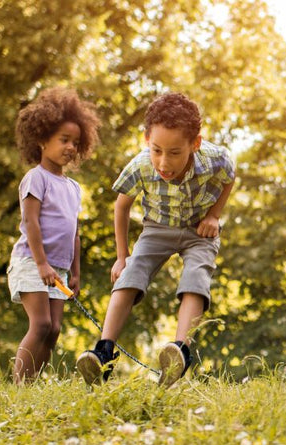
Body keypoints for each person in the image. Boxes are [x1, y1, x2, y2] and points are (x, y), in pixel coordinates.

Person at [76, 92, 236, 388]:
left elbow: (229, 177)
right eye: (156, 150)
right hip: (156, 228)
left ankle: (179, 352)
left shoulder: (215, 158)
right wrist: (121, 257)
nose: (164, 162)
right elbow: (122, 206)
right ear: (146, 139)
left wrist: (214, 215)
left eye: (175, 152)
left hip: (197, 231)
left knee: (196, 275)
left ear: (195, 144)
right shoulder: (140, 165)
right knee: (131, 273)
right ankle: (104, 352)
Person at [7, 87, 100, 384]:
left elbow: (74, 233)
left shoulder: (73, 188)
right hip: (32, 262)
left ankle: (33, 383)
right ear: (42, 140)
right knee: (42, 323)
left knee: (55, 328)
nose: (70, 147)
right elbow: (31, 222)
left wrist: (75, 273)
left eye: (75, 142)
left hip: (59, 268)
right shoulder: (36, 178)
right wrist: (42, 264)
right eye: (64, 140)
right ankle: (20, 386)